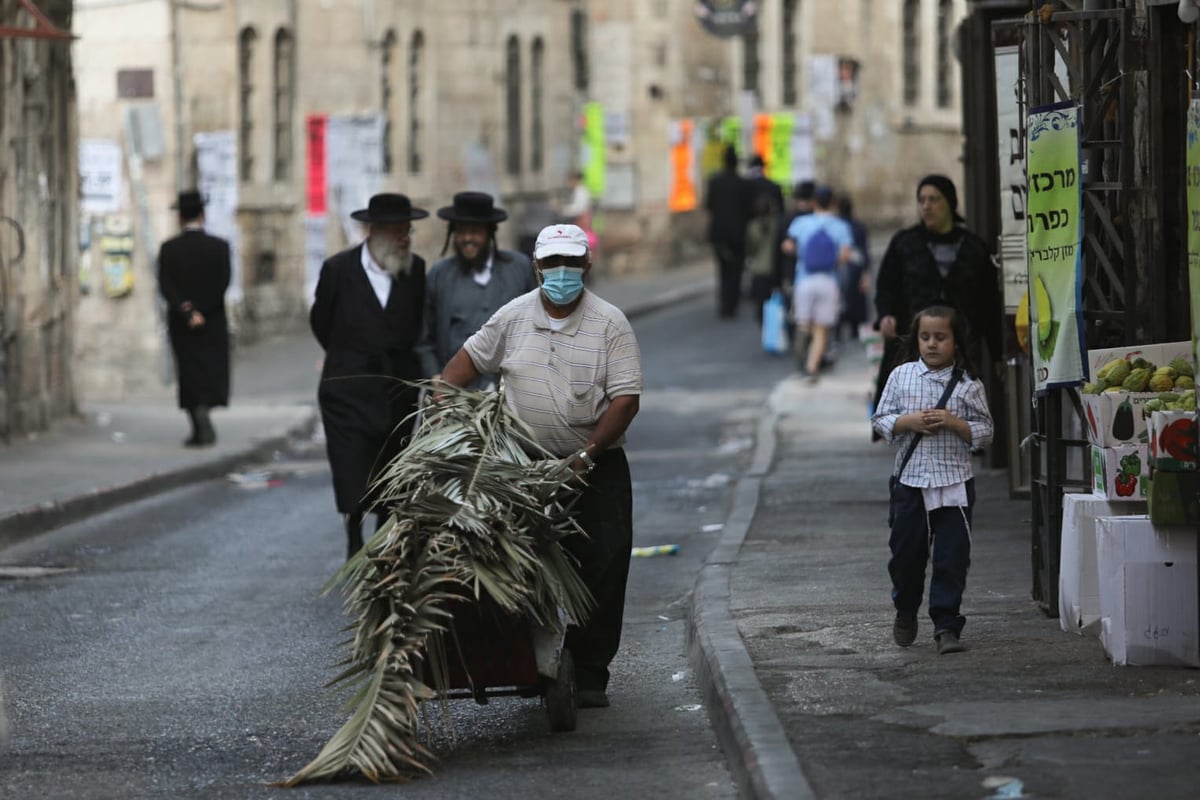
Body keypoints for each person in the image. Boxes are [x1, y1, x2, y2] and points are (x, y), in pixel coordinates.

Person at [437, 223, 642, 710]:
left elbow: (626, 400)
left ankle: (590, 670)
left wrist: (587, 456)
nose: (563, 273)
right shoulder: (512, 318)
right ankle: (526, 651)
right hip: (521, 470)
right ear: (537, 268)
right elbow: (459, 370)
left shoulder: (610, 323)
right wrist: (447, 420)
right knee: (517, 564)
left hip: (595, 466)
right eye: (553, 264)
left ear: (587, 267)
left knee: (604, 566)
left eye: (572, 264)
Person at [310, 193, 429, 559]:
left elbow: (418, 322)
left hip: (396, 388)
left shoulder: (416, 269)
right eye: (397, 232)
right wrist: (350, 355)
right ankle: (353, 531)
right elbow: (321, 322)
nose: (404, 239)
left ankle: (382, 540)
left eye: (407, 231)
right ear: (373, 232)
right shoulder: (338, 269)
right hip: (347, 387)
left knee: (391, 465)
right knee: (350, 465)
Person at [871, 305, 994, 655]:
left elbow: (986, 433)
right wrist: (907, 422)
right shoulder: (901, 375)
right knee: (906, 556)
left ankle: (946, 624)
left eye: (940, 337)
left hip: (954, 483)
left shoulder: (970, 385)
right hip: (910, 482)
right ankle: (905, 609)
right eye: (925, 337)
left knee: (952, 558)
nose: (932, 344)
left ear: (955, 342)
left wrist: (954, 423)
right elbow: (880, 418)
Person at [872, 175, 1001, 428]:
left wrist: (996, 353)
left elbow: (989, 304)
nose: (926, 206)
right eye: (922, 200)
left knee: (959, 402)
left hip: (961, 344)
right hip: (914, 342)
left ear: (950, 203)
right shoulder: (905, 243)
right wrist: (885, 314)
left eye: (934, 199)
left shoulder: (974, 248)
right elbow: (886, 285)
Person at [417, 191, 537, 389]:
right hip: (455, 394)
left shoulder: (519, 268)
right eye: (461, 232)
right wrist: (435, 375)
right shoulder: (440, 276)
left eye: (475, 232)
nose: (467, 238)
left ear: (490, 233)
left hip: (511, 391)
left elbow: (537, 325)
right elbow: (423, 340)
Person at [157, 189, 231, 447]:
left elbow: (166, 285)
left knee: (189, 372)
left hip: (182, 322)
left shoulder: (169, 249)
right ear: (203, 214)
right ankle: (204, 418)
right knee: (209, 371)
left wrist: (187, 311)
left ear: (180, 217)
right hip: (212, 321)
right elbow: (223, 283)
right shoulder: (220, 248)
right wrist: (203, 310)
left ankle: (198, 422)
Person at [781, 185, 855, 383]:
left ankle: (800, 350)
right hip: (829, 281)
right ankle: (811, 367)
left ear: (814, 202)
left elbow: (787, 246)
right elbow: (846, 255)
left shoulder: (800, 223)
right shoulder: (841, 226)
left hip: (804, 280)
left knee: (803, 323)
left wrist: (802, 254)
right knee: (822, 329)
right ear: (833, 203)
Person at [705, 145, 751, 318]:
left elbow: (709, 205)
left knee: (723, 269)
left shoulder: (715, 182)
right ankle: (732, 303)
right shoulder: (742, 184)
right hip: (738, 234)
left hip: (719, 234)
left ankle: (725, 303)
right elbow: (748, 210)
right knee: (736, 269)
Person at [836, 194, 872, 342]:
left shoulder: (836, 225)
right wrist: (866, 273)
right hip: (856, 266)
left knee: (840, 300)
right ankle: (857, 330)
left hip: (841, 265)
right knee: (857, 301)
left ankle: (838, 330)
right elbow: (864, 251)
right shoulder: (859, 226)